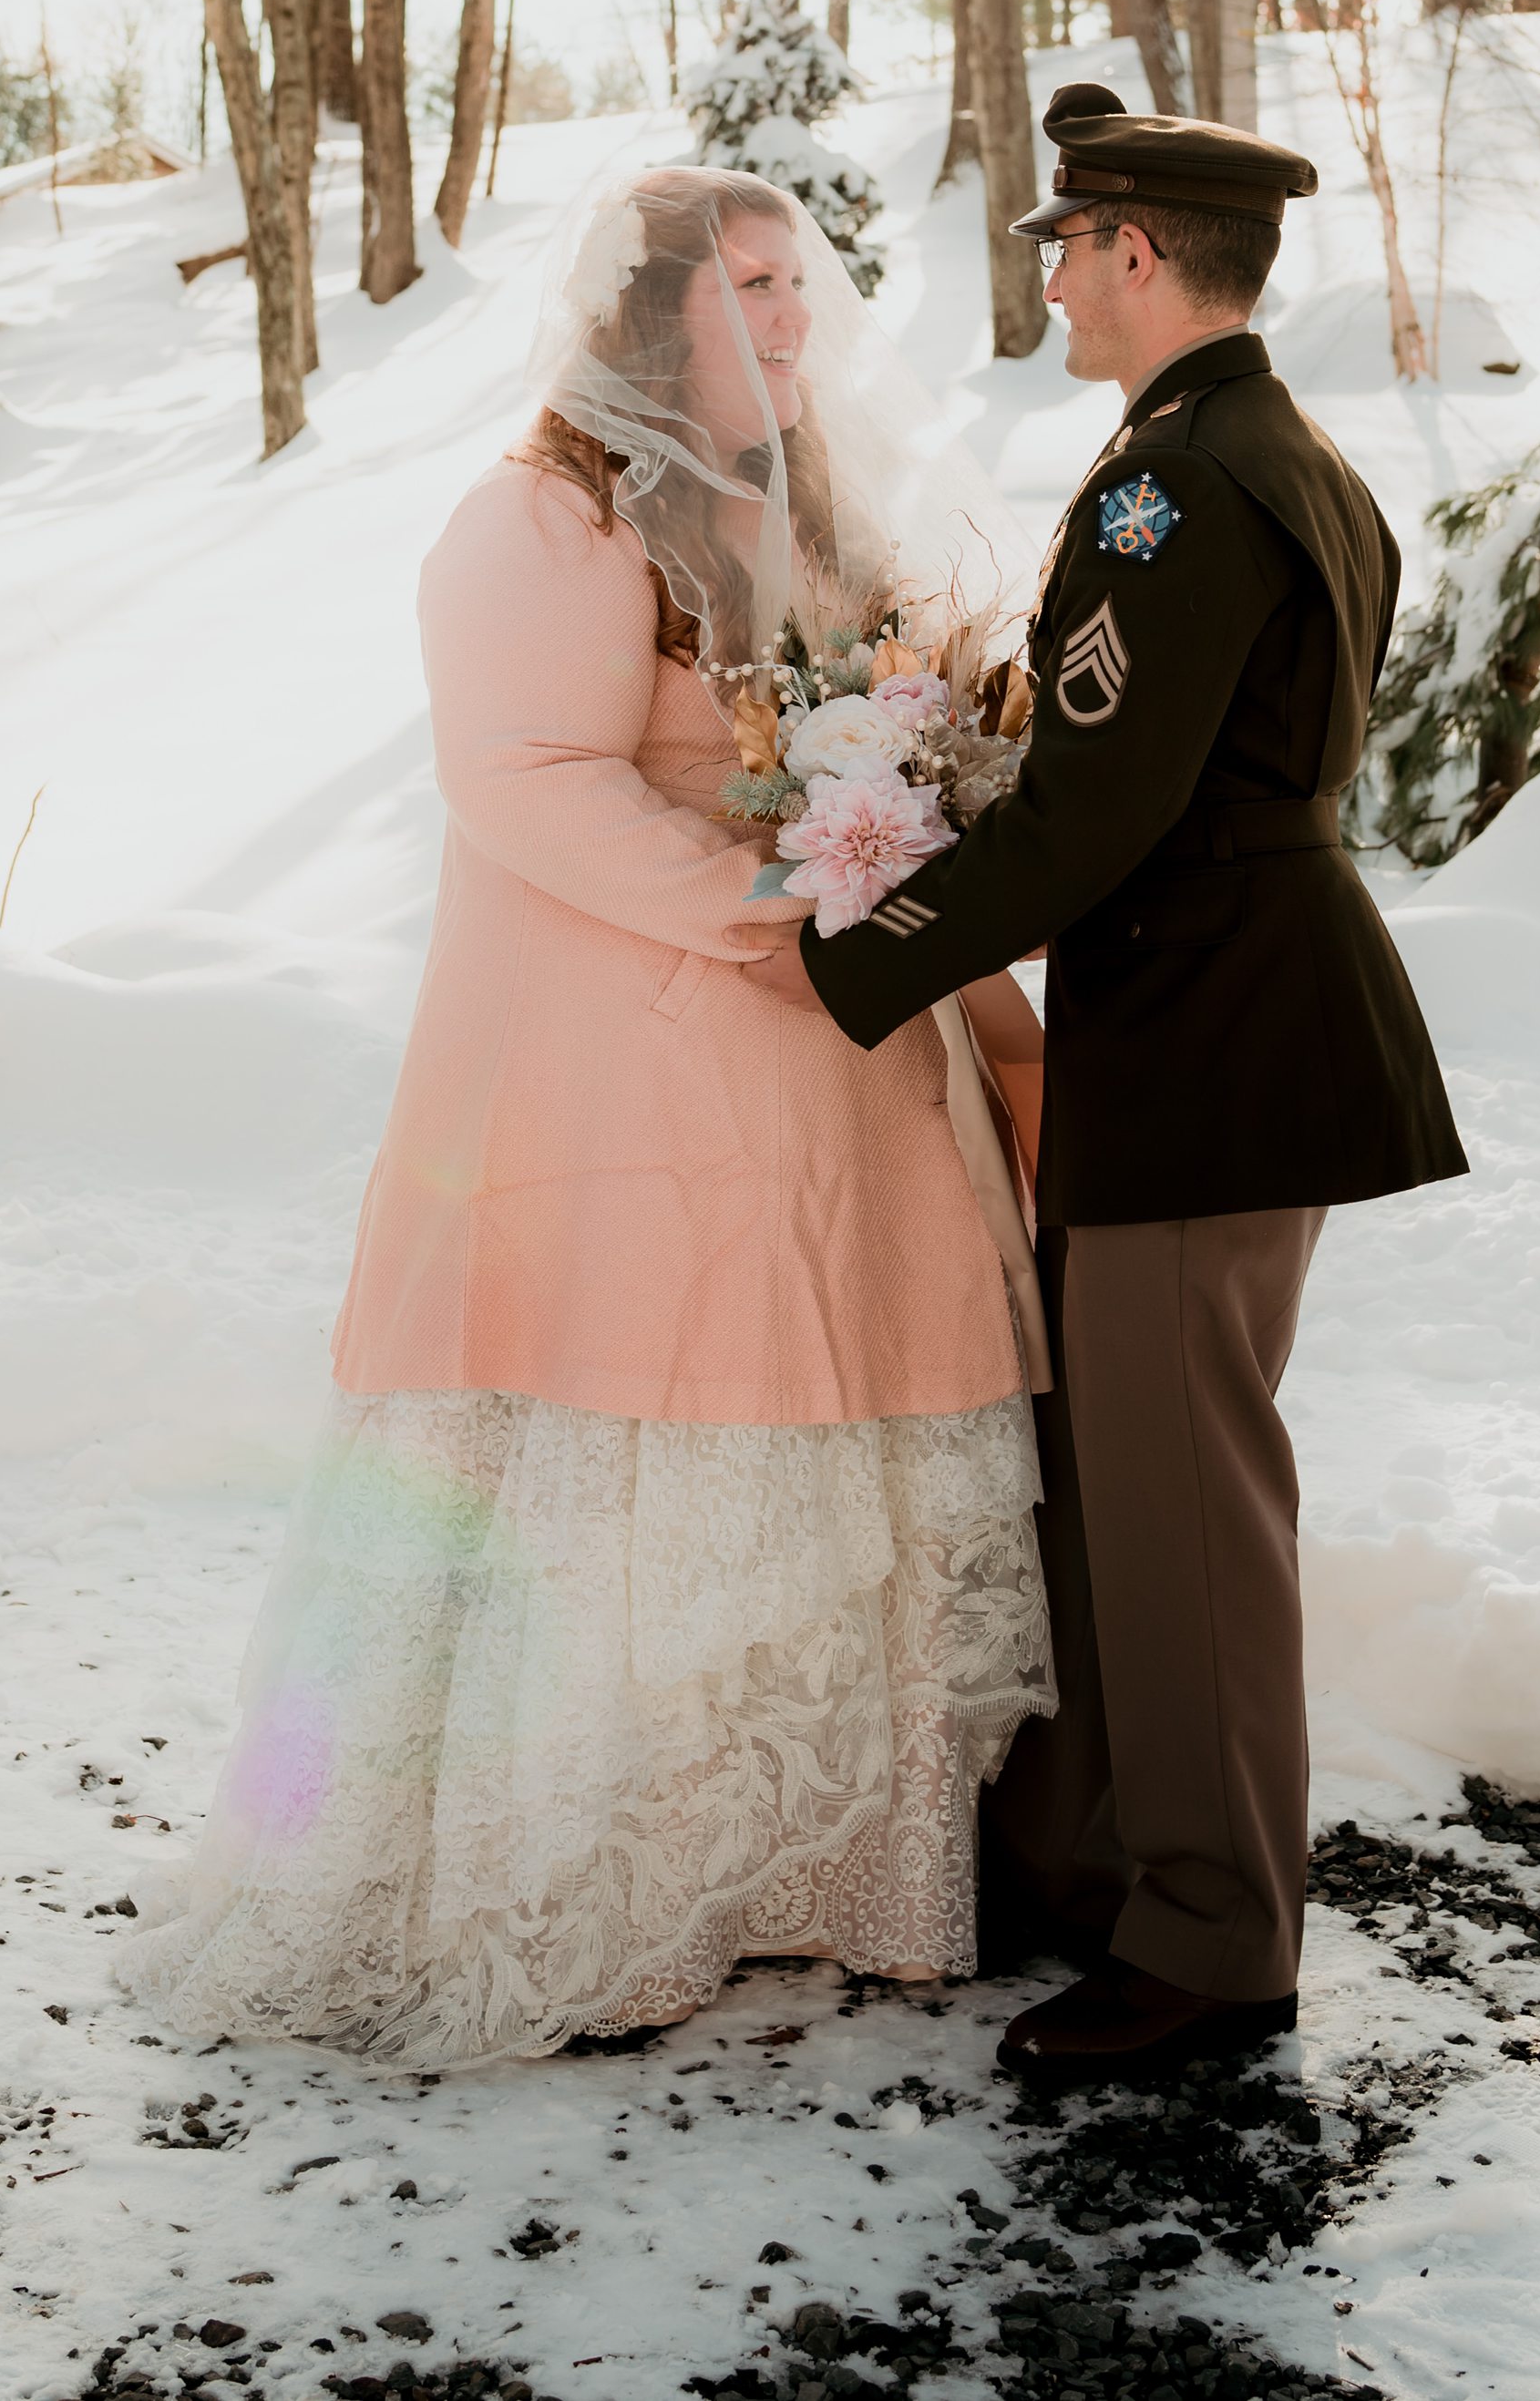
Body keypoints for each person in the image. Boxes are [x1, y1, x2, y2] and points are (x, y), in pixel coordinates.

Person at [124, 167, 1052, 2069]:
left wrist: (909, 821)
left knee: (836, 1425)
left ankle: (823, 1872)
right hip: (625, 1057)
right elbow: (526, 776)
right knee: (639, 1420)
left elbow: (880, 712)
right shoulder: (540, 518)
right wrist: (768, 909)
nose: (797, 319)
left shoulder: (810, 502)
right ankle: (609, 1884)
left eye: (807, 283)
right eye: (757, 288)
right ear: (656, 314)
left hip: (836, 1058)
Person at [789, 81, 1469, 2087]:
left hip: (1212, 1036)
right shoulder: (1285, 455)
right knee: (1133, 1486)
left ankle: (1212, 1938)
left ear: (1141, 255)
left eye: (1073, 247)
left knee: (1181, 1510)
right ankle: (1105, 1866)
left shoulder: (1173, 487)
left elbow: (1102, 813)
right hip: (1231, 1014)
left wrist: (861, 947)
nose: (1059, 278)